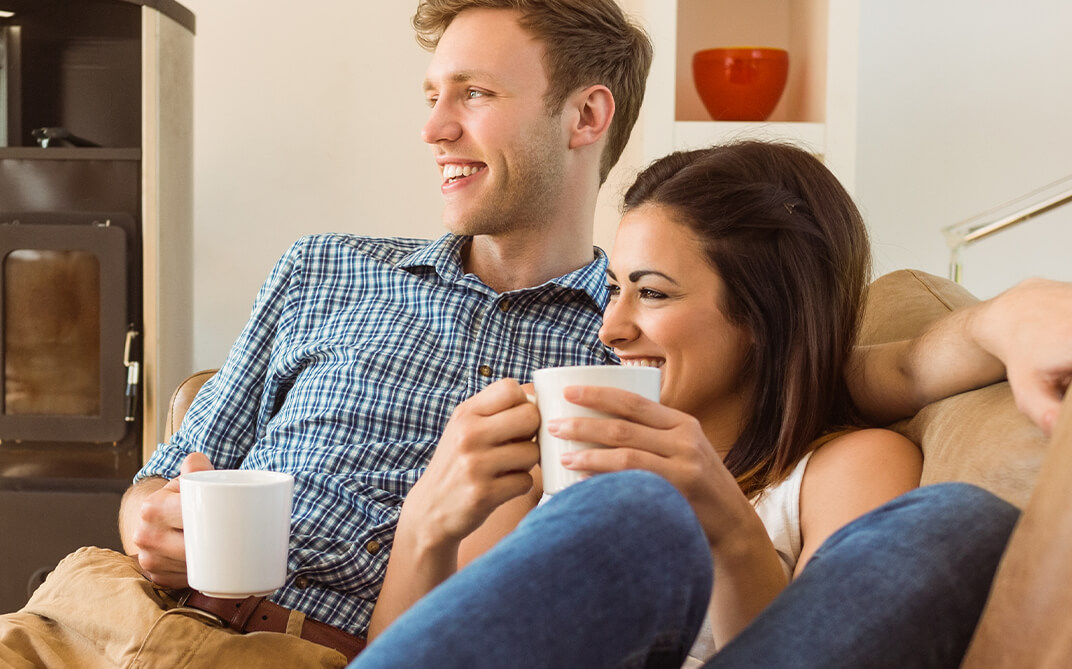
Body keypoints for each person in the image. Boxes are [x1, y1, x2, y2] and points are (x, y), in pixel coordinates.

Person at [0, 0, 1072, 666]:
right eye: (430, 93)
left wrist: (1001, 318)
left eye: (473, 94)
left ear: (585, 116)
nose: (433, 126)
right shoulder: (326, 268)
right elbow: (176, 468)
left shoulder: (584, 384)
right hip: (102, 614)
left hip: (296, 652)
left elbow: (841, 361)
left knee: (923, 528)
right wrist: (157, 515)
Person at [363, 140, 1030, 669]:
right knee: (634, 511)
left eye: (650, 293)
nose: (611, 327)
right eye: (615, 288)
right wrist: (426, 522)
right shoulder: (552, 453)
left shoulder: (844, 468)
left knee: (964, 520)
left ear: (760, 316)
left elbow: (825, 646)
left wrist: (727, 526)